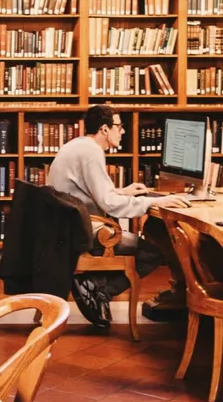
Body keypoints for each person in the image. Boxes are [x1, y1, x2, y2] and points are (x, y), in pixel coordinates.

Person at [46, 105, 188, 329]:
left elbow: (89, 192)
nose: (122, 132)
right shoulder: (91, 153)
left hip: (64, 224)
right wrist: (154, 201)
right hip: (76, 229)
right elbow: (110, 205)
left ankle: (95, 286)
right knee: (154, 252)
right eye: (119, 127)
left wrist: (123, 191)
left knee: (144, 242)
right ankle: (98, 288)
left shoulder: (79, 145)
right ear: (104, 129)